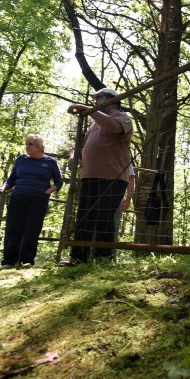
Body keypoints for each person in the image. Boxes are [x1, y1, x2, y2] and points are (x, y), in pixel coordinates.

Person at [64, 87, 133, 264]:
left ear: (112, 99)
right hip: (89, 175)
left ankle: (103, 257)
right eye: (94, 99)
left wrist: (87, 109)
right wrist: (75, 156)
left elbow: (113, 126)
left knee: (105, 216)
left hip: (113, 176)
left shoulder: (122, 118)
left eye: (99, 98)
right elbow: (84, 145)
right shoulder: (95, 124)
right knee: (84, 216)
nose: (96, 102)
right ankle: (78, 257)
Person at [1, 134, 63, 268]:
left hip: (38, 200)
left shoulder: (50, 162)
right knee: (13, 229)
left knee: (32, 230)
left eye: (30, 144)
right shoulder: (21, 160)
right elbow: (11, 179)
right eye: (26, 144)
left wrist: (46, 192)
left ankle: (27, 260)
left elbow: (59, 182)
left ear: (39, 146)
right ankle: (9, 261)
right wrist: (3, 188)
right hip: (18, 197)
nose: (27, 146)